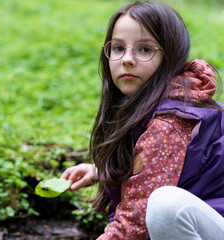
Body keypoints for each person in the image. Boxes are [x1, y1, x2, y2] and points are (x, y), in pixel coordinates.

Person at [60, 1, 224, 239]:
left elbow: (134, 224)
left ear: (171, 56)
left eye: (145, 50)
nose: (126, 59)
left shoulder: (168, 124)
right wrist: (101, 171)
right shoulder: (160, 104)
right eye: (117, 48)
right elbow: (168, 166)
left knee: (165, 206)